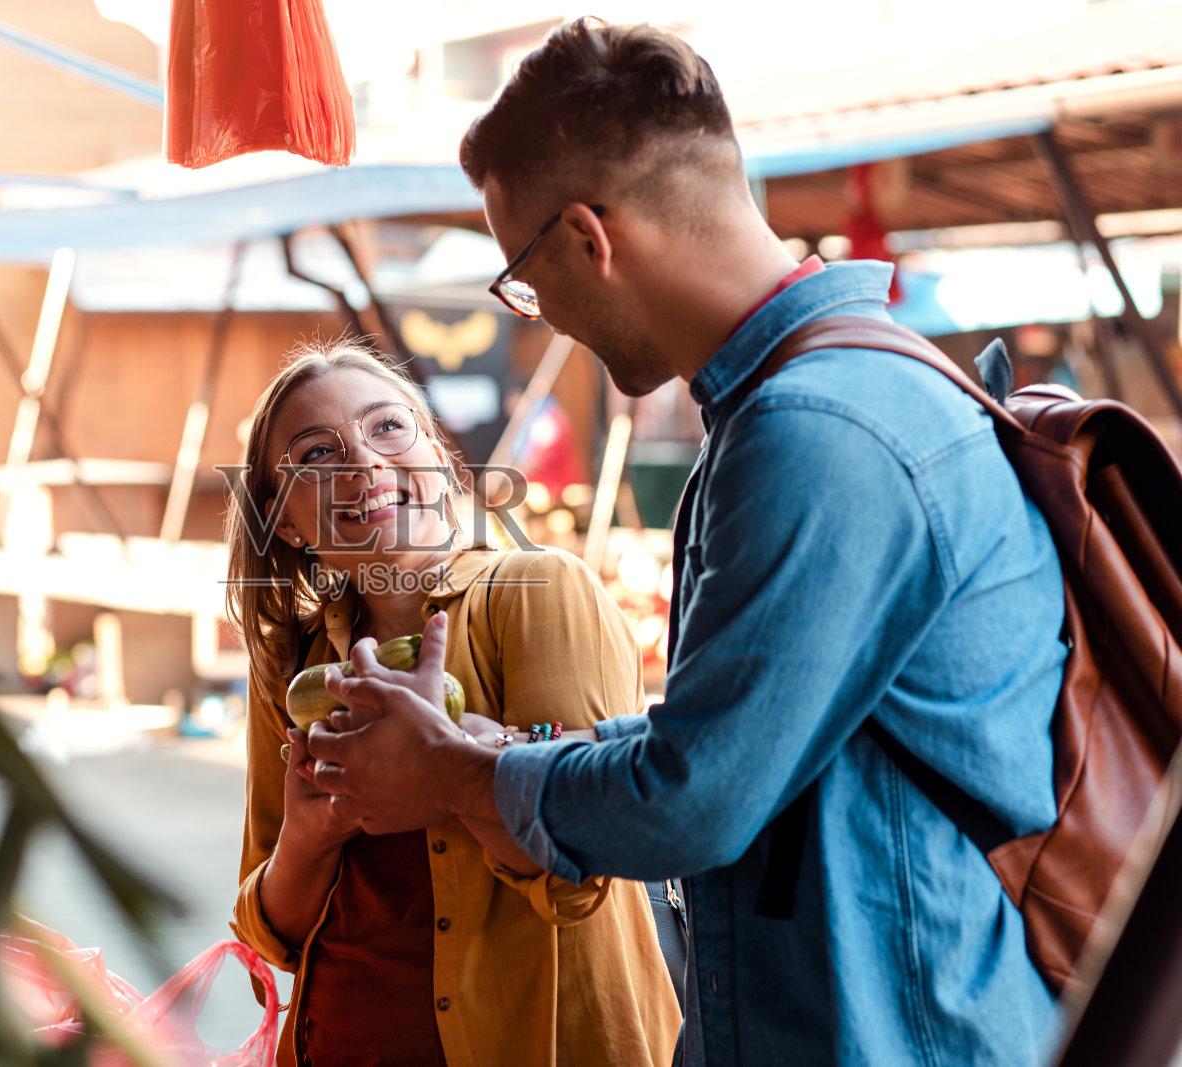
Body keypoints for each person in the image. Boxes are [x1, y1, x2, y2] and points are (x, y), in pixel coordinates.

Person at [304, 19, 1067, 1067]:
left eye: (523, 280)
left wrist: (452, 778)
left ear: (586, 237)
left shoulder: (819, 432)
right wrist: (513, 751)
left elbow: (696, 800)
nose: (543, 316)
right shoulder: (815, 402)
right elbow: (735, 733)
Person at [224, 341, 681, 1067]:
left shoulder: (540, 593)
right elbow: (268, 938)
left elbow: (582, 871)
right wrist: (309, 839)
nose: (364, 465)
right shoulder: (295, 665)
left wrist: (449, 765)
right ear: (282, 520)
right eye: (316, 455)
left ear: (436, 451)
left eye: (387, 428)